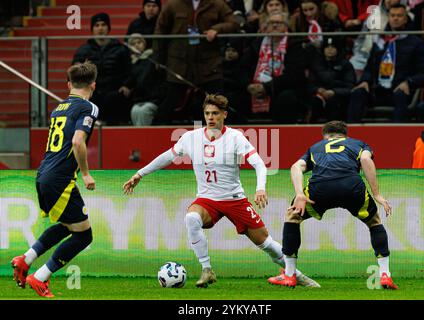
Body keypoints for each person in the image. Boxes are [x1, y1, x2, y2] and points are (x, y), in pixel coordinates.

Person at [123, 94, 320, 288]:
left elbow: (259, 163)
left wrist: (260, 188)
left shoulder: (235, 137)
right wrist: (140, 174)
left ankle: (297, 275)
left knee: (266, 243)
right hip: (207, 200)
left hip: (235, 200)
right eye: (207, 113)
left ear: (224, 114)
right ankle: (207, 269)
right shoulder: (191, 138)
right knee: (191, 219)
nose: (210, 117)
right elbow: (166, 157)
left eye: (215, 113)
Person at [268, 121, 398, 289]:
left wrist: (300, 194)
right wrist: (377, 194)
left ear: (325, 136)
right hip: (351, 186)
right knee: (374, 222)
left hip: (320, 187)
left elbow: (295, 167)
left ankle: (290, 275)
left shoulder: (316, 147)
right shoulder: (359, 144)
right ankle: (385, 275)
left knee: (292, 217)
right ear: (345, 135)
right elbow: (366, 159)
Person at [10, 62, 99, 298]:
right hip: (60, 179)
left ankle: (25, 259)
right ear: (93, 85)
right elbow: (78, 142)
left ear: (69, 85)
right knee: (83, 235)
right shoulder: (89, 107)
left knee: (67, 226)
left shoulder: (58, 108)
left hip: (43, 176)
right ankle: (40, 277)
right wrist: (87, 174)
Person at [152, 0, 239, 124]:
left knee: (216, 104)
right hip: (179, 64)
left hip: (209, 65)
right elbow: (160, 30)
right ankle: (154, 135)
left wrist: (216, 29)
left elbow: (234, 23)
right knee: (170, 102)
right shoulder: (173, 5)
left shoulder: (217, 4)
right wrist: (158, 58)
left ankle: (220, 138)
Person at [347, 3, 424, 123]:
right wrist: (365, 80)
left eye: (399, 16)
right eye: (392, 15)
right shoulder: (380, 40)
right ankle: (352, 135)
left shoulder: (416, 42)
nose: (395, 18)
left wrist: (408, 82)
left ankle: (398, 137)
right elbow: (370, 67)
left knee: (400, 95)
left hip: (400, 88)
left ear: (406, 19)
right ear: (389, 17)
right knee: (358, 93)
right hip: (378, 89)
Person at [241, 11, 308, 123]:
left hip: (282, 88)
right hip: (254, 87)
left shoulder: (294, 44)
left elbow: (295, 75)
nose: (275, 25)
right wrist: (248, 85)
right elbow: (242, 68)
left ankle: (282, 136)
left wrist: (267, 87)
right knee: (232, 97)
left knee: (287, 97)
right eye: (272, 23)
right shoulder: (256, 43)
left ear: (286, 26)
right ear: (266, 27)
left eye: (279, 23)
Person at [73, 13, 132, 125]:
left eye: (103, 25)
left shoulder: (121, 49)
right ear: (92, 29)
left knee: (116, 99)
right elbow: (73, 74)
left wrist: (127, 85)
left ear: (108, 28)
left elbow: (129, 72)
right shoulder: (83, 50)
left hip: (114, 92)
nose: (100, 28)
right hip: (92, 92)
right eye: (97, 25)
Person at [306, 36, 356, 123]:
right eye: (327, 47)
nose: (330, 50)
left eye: (333, 47)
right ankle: (309, 129)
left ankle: (334, 132)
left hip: (338, 98)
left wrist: (334, 92)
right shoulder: (316, 64)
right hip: (319, 96)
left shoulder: (346, 65)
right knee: (315, 102)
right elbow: (310, 84)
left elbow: (350, 87)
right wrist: (318, 89)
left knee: (333, 103)